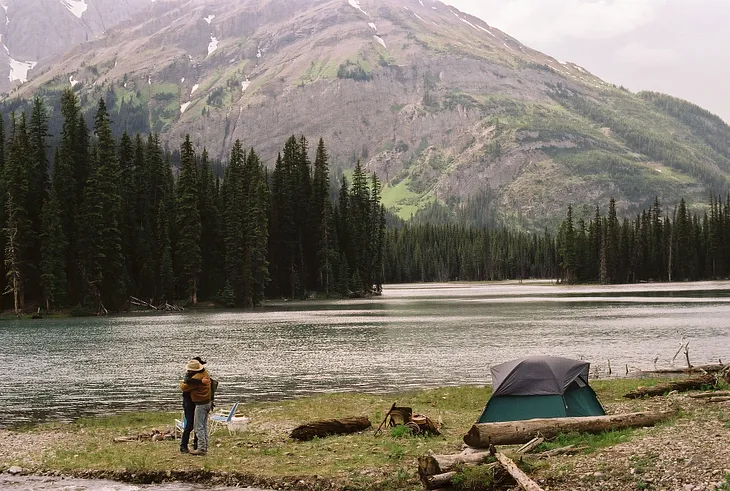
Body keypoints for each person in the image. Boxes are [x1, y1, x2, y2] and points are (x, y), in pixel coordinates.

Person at [179, 358, 212, 455]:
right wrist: (200, 382)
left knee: (198, 426)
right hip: (192, 403)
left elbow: (184, 387)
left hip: (198, 403)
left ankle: (199, 447)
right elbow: (189, 381)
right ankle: (189, 446)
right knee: (193, 424)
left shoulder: (197, 377)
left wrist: (181, 383)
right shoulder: (203, 375)